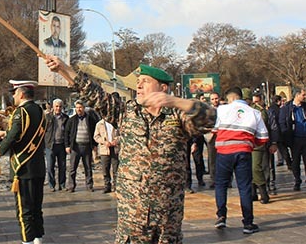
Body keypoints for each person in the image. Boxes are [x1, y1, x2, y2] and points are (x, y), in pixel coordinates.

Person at [45, 56, 215, 243]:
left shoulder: (179, 117)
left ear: (163, 88)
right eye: (138, 82)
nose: (139, 86)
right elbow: (92, 92)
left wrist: (174, 102)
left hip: (167, 219)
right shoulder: (126, 112)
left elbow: (209, 118)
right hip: (133, 218)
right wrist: (64, 69)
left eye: (146, 82)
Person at [0, 80, 46, 244]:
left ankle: (27, 240)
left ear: (21, 94)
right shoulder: (39, 110)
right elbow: (26, 132)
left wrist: (0, 149)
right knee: (36, 206)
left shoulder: (20, 112)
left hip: (23, 167)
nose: (14, 97)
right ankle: (38, 237)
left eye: (15, 93)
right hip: (38, 165)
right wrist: (6, 132)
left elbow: (15, 134)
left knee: (24, 208)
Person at [213, 87, 269, 234]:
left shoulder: (221, 110)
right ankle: (248, 223)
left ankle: (221, 216)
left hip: (224, 152)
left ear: (230, 98)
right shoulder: (254, 112)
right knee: (244, 187)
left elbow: (212, 129)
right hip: (244, 152)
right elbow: (263, 137)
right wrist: (250, 143)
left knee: (221, 185)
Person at [251, 90, 278, 203]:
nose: (255, 104)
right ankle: (253, 193)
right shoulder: (249, 111)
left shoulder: (267, 112)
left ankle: (265, 190)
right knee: (251, 168)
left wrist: (274, 143)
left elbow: (273, 127)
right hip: (250, 144)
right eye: (253, 102)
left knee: (263, 167)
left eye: (257, 101)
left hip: (263, 144)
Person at [65, 100, 98, 192]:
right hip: (75, 147)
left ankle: (89, 186)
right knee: (72, 168)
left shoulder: (90, 119)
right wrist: (67, 146)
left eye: (80, 107)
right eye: (77, 107)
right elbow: (67, 133)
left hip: (87, 146)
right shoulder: (72, 120)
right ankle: (71, 186)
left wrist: (95, 145)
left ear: (84, 108)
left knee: (88, 167)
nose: (79, 109)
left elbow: (95, 132)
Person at [279, 88, 306, 191]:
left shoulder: (304, 107)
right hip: (295, 138)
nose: (304, 97)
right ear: (297, 95)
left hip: (305, 137)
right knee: (296, 161)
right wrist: (286, 136)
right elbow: (282, 123)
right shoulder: (286, 108)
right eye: (303, 95)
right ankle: (297, 180)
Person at [44, 98, 69, 191]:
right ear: (53, 107)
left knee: (62, 166)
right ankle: (51, 185)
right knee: (50, 166)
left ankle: (62, 184)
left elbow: (68, 132)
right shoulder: (48, 117)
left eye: (60, 106)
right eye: (56, 106)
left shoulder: (66, 118)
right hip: (50, 145)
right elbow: (43, 131)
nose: (58, 108)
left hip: (61, 145)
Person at [93, 114, 119, 193]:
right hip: (105, 149)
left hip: (115, 149)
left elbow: (123, 134)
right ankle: (107, 186)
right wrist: (104, 142)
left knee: (116, 168)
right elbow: (96, 136)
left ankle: (116, 186)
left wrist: (116, 141)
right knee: (105, 169)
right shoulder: (99, 124)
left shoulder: (117, 123)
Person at [206, 92, 220, 188]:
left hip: (223, 135)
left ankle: (228, 179)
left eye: (216, 98)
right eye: (212, 99)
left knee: (224, 158)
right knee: (212, 159)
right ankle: (213, 179)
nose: (215, 101)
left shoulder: (225, 109)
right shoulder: (207, 110)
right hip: (212, 136)